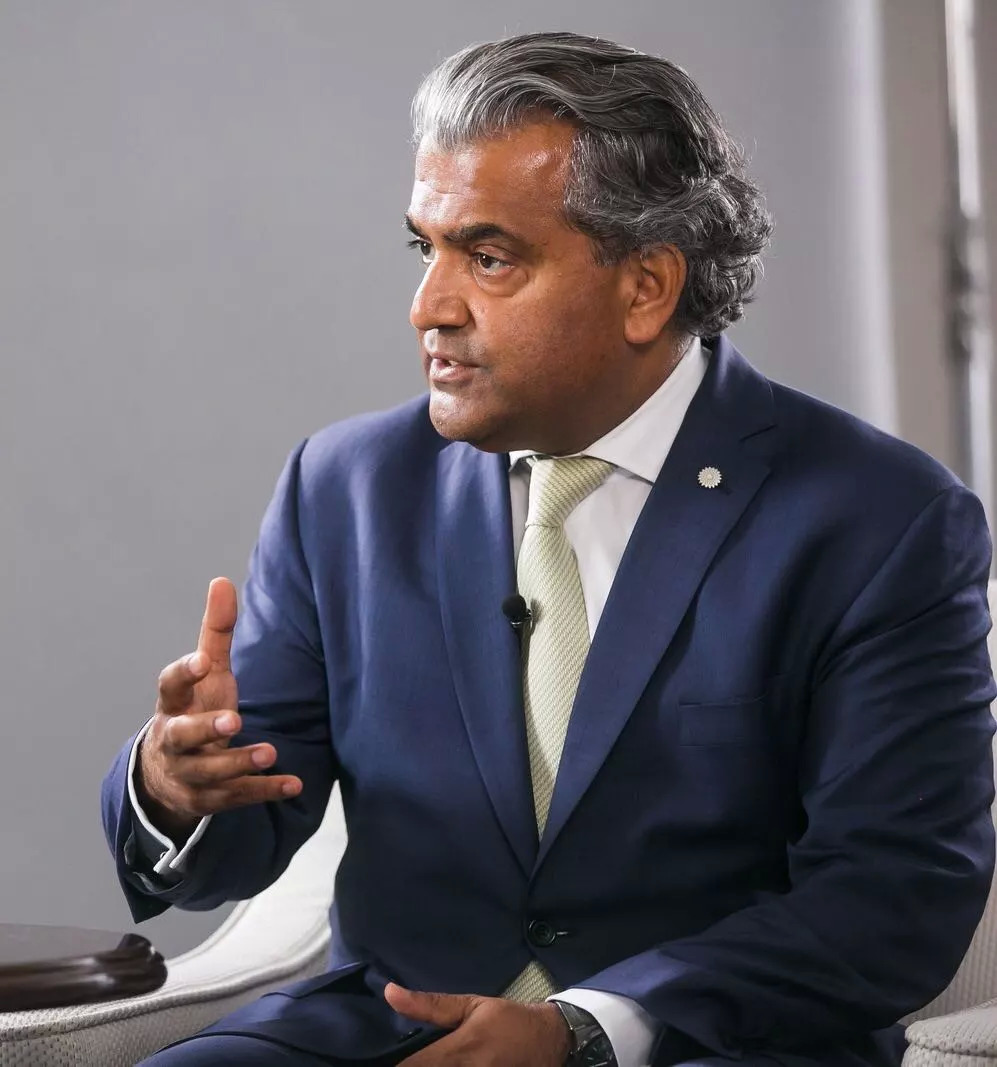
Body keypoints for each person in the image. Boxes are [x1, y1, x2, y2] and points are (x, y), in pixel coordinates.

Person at [101, 30, 996, 1067]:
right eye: (424, 249)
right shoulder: (344, 488)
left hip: (704, 1042)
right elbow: (237, 844)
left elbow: (890, 895)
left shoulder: (878, 518)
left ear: (645, 286)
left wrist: (584, 1029)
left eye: (487, 258)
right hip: (394, 1028)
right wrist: (176, 784)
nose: (428, 308)